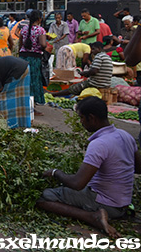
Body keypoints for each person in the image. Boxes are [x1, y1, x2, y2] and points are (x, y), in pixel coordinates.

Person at [37, 97, 141, 237]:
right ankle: (97, 213)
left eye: (81, 118)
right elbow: (138, 168)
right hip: (123, 203)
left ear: (91, 118)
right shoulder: (125, 135)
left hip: (106, 204)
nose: (81, 122)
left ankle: (91, 217)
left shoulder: (99, 144)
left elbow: (77, 184)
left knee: (44, 197)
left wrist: (56, 173)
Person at [19, 9, 47, 106]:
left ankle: (24, 102)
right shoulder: (40, 30)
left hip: (23, 57)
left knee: (24, 80)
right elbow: (43, 44)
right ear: (39, 19)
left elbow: (20, 44)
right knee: (34, 80)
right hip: (34, 58)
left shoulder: (24, 29)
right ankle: (33, 104)